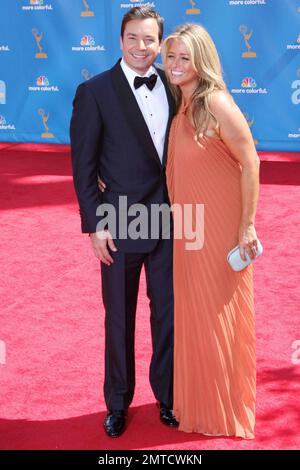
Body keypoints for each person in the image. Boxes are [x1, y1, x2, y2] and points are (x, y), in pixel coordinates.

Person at [70, 6, 178, 438]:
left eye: (149, 39)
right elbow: (83, 166)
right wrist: (96, 224)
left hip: (171, 219)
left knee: (168, 315)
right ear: (120, 39)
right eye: (133, 37)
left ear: (160, 43)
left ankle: (168, 396)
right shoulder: (94, 91)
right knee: (120, 318)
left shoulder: (174, 85)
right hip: (121, 222)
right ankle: (117, 403)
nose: (141, 47)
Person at [162, 24, 260, 438]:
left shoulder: (216, 102)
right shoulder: (180, 103)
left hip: (218, 227)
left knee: (215, 315)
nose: (176, 65)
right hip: (188, 229)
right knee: (194, 318)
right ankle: (196, 398)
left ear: (201, 61)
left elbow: (251, 162)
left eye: (185, 57)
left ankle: (221, 407)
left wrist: (246, 226)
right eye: (171, 57)